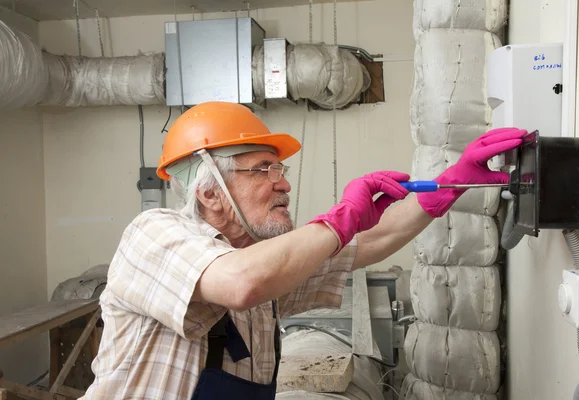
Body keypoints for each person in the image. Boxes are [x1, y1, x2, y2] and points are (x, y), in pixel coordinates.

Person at [81, 101, 525, 400]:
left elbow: (368, 242)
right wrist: (338, 219)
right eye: (261, 169)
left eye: (280, 167)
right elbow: (239, 282)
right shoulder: (153, 233)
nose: (283, 182)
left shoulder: (269, 260)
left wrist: (445, 189)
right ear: (211, 193)